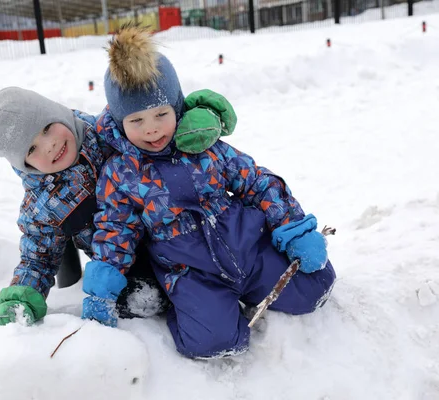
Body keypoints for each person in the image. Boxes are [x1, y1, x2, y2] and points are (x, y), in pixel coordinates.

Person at [81, 24, 336, 358]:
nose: (152, 127)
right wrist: (102, 291)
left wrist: (293, 228)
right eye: (136, 121)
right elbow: (116, 229)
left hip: (248, 247)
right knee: (213, 342)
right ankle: (187, 310)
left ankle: (249, 289)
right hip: (190, 272)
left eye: (161, 114)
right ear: (118, 121)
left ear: (176, 107)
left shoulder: (205, 146)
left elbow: (257, 181)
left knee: (316, 286)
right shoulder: (120, 172)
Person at [0, 84, 235, 326]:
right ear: (22, 163)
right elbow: (37, 257)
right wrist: (20, 298)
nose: (50, 145)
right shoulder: (44, 206)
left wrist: (200, 113)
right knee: (152, 295)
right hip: (127, 266)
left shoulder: (108, 131)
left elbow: (153, 114)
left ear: (56, 111)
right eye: (31, 149)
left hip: (181, 228)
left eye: (46, 128)